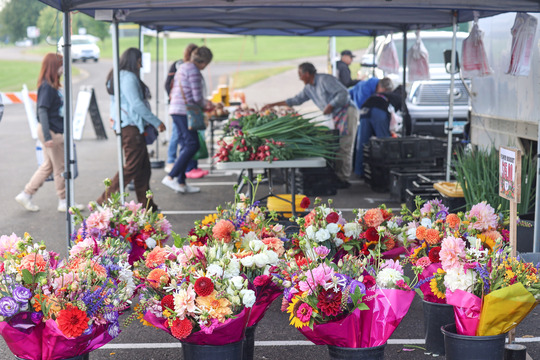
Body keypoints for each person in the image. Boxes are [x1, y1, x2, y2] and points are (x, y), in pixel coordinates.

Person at [262, 62, 358, 188]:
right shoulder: (309, 88)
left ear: (307, 74)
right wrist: (272, 105)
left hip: (346, 112)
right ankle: (338, 176)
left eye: (300, 75)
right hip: (333, 116)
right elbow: (295, 100)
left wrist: (331, 105)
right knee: (336, 145)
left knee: (345, 145)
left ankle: (343, 178)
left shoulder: (324, 80)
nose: (299, 78)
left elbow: (344, 93)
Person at [97, 48, 166, 210]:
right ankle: (105, 199)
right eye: (140, 60)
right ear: (134, 60)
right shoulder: (127, 77)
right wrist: (156, 122)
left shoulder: (119, 75)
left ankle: (147, 205)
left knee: (143, 168)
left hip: (128, 124)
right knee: (133, 166)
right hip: (130, 126)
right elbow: (136, 104)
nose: (141, 64)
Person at [15, 53, 84, 212]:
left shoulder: (50, 85)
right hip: (51, 131)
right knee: (60, 166)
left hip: (50, 130)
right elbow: (42, 111)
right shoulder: (47, 87)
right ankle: (64, 201)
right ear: (54, 66)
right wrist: (47, 136)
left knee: (48, 166)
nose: (63, 68)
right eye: (61, 65)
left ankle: (26, 194)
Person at [162, 46, 214, 194]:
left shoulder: (184, 66)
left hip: (176, 109)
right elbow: (197, 98)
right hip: (184, 111)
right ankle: (171, 177)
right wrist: (209, 104)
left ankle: (181, 182)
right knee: (192, 144)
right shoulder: (194, 71)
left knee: (186, 144)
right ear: (203, 61)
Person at [355, 77, 402, 178]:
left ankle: (359, 171)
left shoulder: (378, 94)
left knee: (363, 143)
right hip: (378, 112)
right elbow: (405, 118)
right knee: (383, 142)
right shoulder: (398, 97)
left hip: (365, 109)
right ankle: (384, 173)